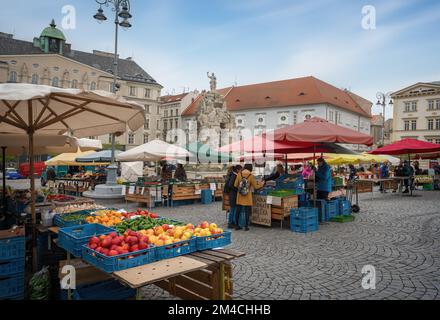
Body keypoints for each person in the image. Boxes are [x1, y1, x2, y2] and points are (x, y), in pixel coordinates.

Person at [234, 163, 265, 231]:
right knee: (247, 211)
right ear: (250, 168)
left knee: (238, 211)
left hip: (240, 195)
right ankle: (246, 226)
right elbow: (256, 186)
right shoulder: (251, 176)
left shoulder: (239, 174)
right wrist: (261, 184)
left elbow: (235, 184)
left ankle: (237, 226)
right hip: (247, 196)